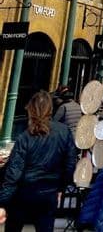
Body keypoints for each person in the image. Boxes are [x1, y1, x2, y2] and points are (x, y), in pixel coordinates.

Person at [0, 90, 76, 232]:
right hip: (48, 194)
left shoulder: (25, 136)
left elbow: (13, 173)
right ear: (50, 109)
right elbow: (70, 164)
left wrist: (3, 203)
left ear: (31, 110)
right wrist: (61, 188)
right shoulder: (64, 132)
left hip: (23, 195)